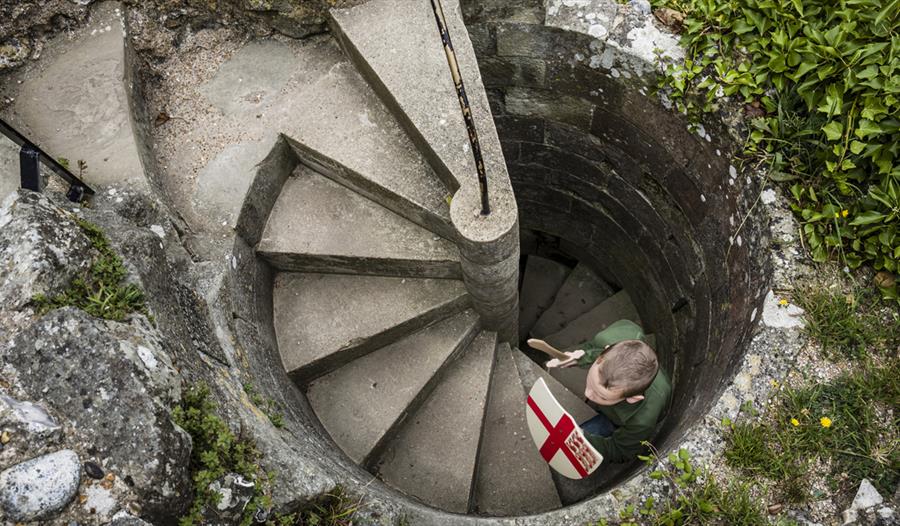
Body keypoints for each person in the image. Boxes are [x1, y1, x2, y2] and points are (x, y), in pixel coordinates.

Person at [527, 319, 671, 464]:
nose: (588, 394)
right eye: (591, 383)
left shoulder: (642, 420)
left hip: (622, 418)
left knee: (601, 428)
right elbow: (595, 349)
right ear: (605, 350)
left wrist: (581, 438)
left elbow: (621, 451)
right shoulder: (610, 338)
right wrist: (581, 357)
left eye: (602, 397)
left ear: (633, 398)